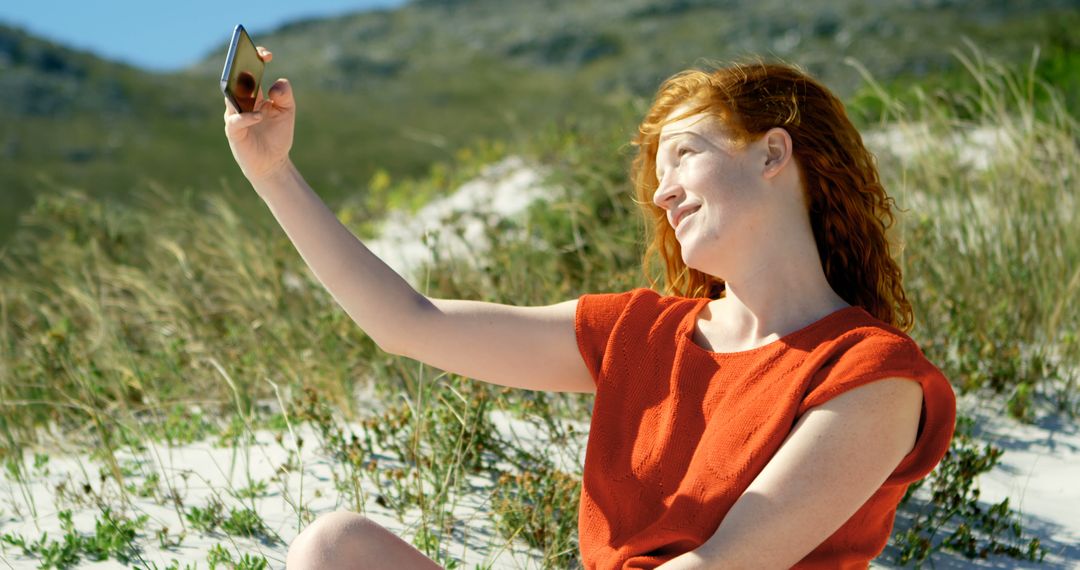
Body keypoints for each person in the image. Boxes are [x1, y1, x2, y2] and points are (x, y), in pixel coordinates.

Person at [224, 47, 956, 569]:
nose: (662, 194)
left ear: (772, 155)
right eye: (657, 175)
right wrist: (273, 173)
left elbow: (726, 565)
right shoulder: (640, 333)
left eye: (686, 156)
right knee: (334, 549)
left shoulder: (871, 377)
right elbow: (408, 325)